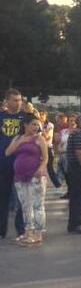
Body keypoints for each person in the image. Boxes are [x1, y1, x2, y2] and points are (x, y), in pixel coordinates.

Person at [5, 114, 48, 245]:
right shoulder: (18, 138)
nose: (36, 127)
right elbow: (8, 152)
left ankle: (38, 234)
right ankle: (28, 232)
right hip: (20, 177)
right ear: (25, 125)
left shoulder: (39, 138)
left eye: (37, 124)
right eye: (33, 124)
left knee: (37, 205)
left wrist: (41, 168)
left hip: (36, 176)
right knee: (25, 206)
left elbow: (46, 157)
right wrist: (20, 142)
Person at [0, 88, 30, 239]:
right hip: (3, 162)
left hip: (21, 162)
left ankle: (21, 230)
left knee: (22, 197)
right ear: (7, 101)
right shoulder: (1, 116)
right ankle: (1, 230)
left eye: (20, 100)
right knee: (3, 197)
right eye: (15, 100)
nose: (18, 103)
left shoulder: (26, 118)